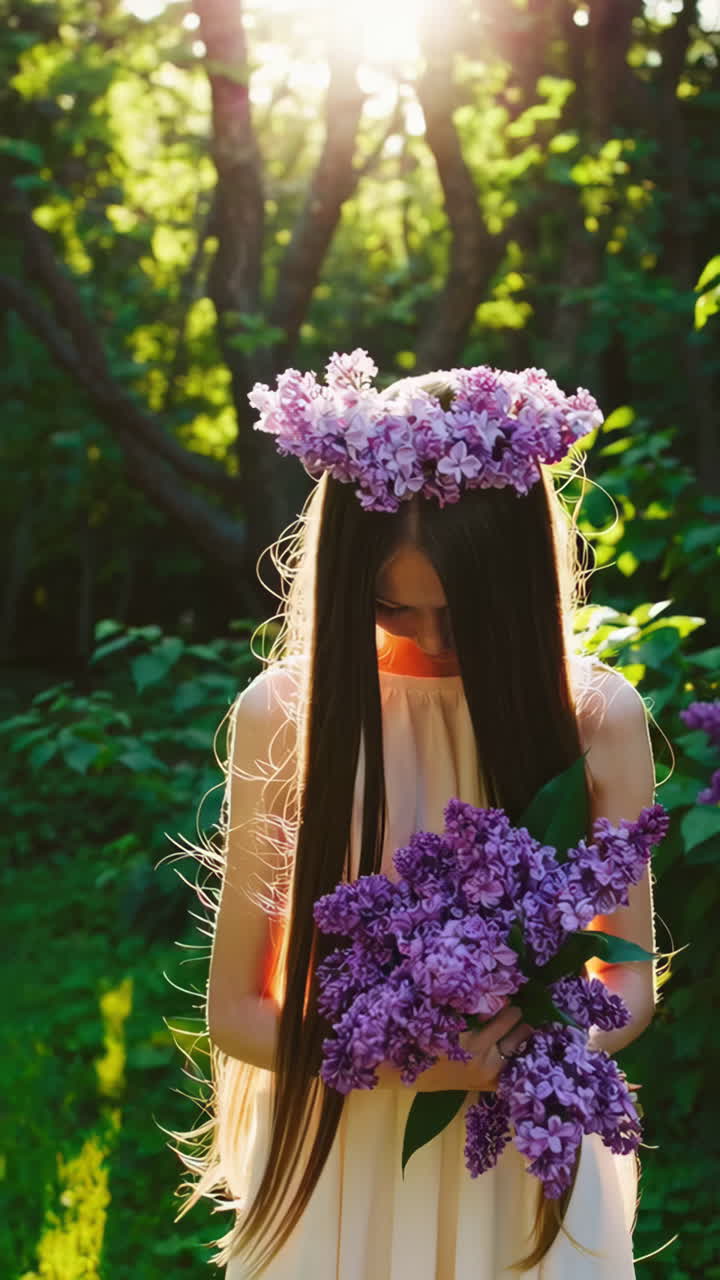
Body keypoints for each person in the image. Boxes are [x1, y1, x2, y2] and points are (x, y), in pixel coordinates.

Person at [170, 352, 658, 1277]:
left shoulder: (596, 718)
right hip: (341, 1153)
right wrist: (422, 1060)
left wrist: (533, 1046)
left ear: (516, 585)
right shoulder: (285, 718)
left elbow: (628, 979)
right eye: (396, 608)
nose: (434, 639)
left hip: (524, 1148)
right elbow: (236, 1010)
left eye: (462, 611)